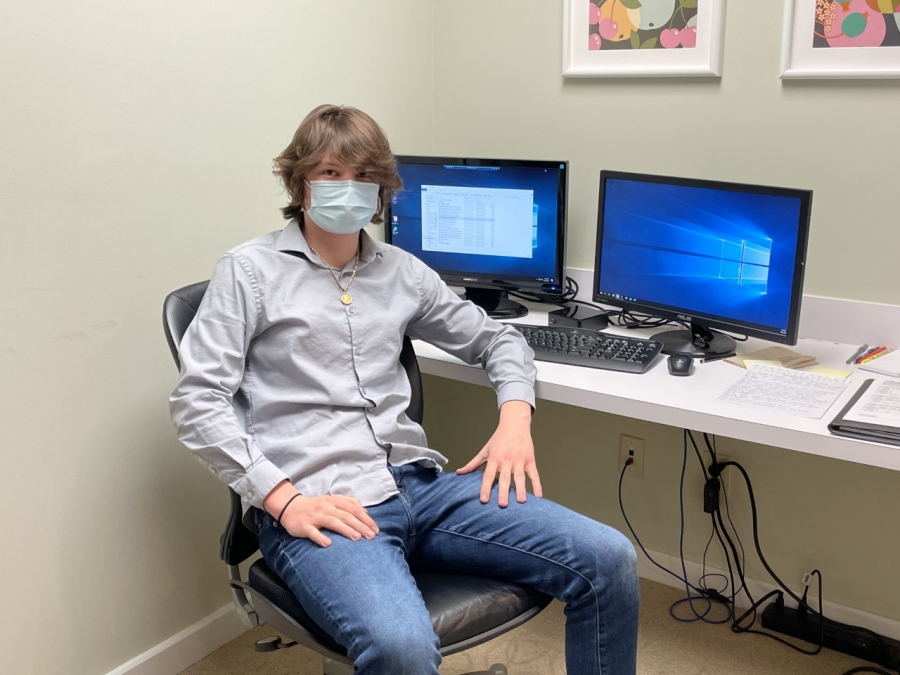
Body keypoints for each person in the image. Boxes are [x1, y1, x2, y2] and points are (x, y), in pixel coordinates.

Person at [170, 104, 639, 675]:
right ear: (300, 181)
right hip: (323, 503)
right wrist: (282, 500)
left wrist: (515, 419)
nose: (349, 188)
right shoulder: (248, 273)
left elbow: (500, 341)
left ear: (384, 188)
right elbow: (198, 404)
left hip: (421, 486)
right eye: (331, 174)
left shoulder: (403, 273)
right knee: (402, 648)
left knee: (608, 558)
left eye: (364, 176)